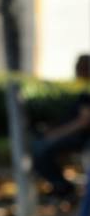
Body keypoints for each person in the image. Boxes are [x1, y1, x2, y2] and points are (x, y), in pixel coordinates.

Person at [32, 53, 90, 206]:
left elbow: (83, 122)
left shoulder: (87, 93)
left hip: (80, 138)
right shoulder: (83, 90)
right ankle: (62, 187)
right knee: (38, 144)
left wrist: (55, 134)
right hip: (74, 135)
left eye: (79, 69)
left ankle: (63, 188)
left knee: (40, 148)